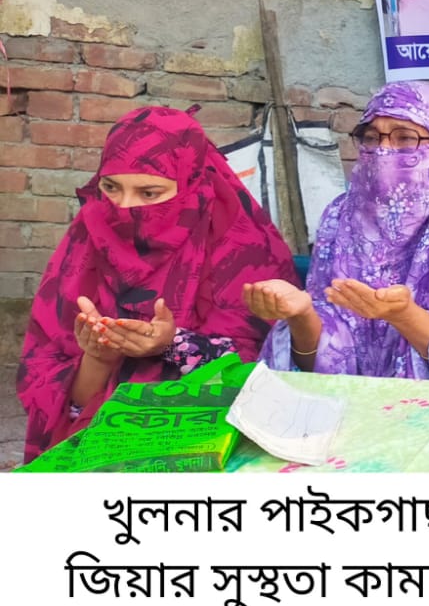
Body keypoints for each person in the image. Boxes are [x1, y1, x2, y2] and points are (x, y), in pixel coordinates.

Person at [16, 107, 298, 462]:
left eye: (149, 193)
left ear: (192, 184)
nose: (125, 208)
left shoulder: (244, 249)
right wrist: (98, 358)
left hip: (209, 448)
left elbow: (274, 373)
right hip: (95, 452)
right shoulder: (85, 242)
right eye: (110, 187)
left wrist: (173, 343)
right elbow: (57, 398)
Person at [248, 82, 429, 385]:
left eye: (405, 137)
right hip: (354, 404)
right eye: (371, 137)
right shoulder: (341, 215)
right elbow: (322, 359)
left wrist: (404, 315)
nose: (383, 151)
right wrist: (301, 315)